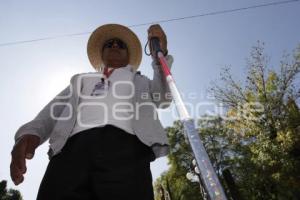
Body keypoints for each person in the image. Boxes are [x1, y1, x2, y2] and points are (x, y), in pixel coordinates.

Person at [10, 23, 173, 200]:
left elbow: (164, 96)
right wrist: (30, 134)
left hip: (129, 152)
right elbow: (54, 109)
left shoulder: (142, 82)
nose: (115, 45)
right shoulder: (81, 80)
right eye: (109, 44)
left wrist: (160, 57)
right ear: (102, 54)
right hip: (70, 154)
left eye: (120, 44)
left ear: (128, 55)